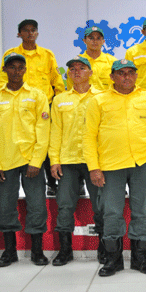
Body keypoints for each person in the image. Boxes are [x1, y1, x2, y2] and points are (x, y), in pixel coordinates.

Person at [83, 59, 146, 277]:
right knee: (111, 212)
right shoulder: (98, 101)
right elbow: (88, 137)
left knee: (144, 210)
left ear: (136, 75)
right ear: (112, 77)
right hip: (110, 165)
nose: (126, 77)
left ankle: (141, 259)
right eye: (121, 73)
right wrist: (93, 168)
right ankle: (113, 260)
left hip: (142, 163)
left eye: (130, 73)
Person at [0, 52, 51, 267]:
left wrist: (37, 161)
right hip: (5, 163)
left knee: (37, 206)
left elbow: (44, 130)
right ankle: (9, 251)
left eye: (20, 67)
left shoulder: (37, 95)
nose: (16, 71)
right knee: (6, 207)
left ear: (25, 70)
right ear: (4, 70)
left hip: (31, 161)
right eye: (11, 67)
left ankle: (37, 251)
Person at [0, 19, 66, 197]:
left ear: (37, 33)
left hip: (45, 106)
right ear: (19, 34)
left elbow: (57, 81)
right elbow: (2, 80)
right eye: (25, 31)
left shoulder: (47, 55)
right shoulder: (10, 54)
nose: (29, 33)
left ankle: (52, 183)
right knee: (26, 141)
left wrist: (60, 103)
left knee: (48, 143)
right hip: (20, 105)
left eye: (33, 30)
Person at [48, 56, 104, 266]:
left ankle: (104, 248)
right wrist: (54, 160)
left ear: (91, 72)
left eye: (82, 68)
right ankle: (65, 250)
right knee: (64, 205)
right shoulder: (60, 99)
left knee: (101, 205)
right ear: (68, 74)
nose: (77, 71)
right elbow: (55, 132)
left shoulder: (101, 97)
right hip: (68, 160)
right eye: (72, 69)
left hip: (95, 161)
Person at [66, 26, 116, 91]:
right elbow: (71, 88)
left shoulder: (112, 62)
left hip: (106, 100)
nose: (95, 41)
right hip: (83, 100)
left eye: (98, 38)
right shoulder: (75, 63)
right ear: (84, 41)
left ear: (103, 41)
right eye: (91, 38)